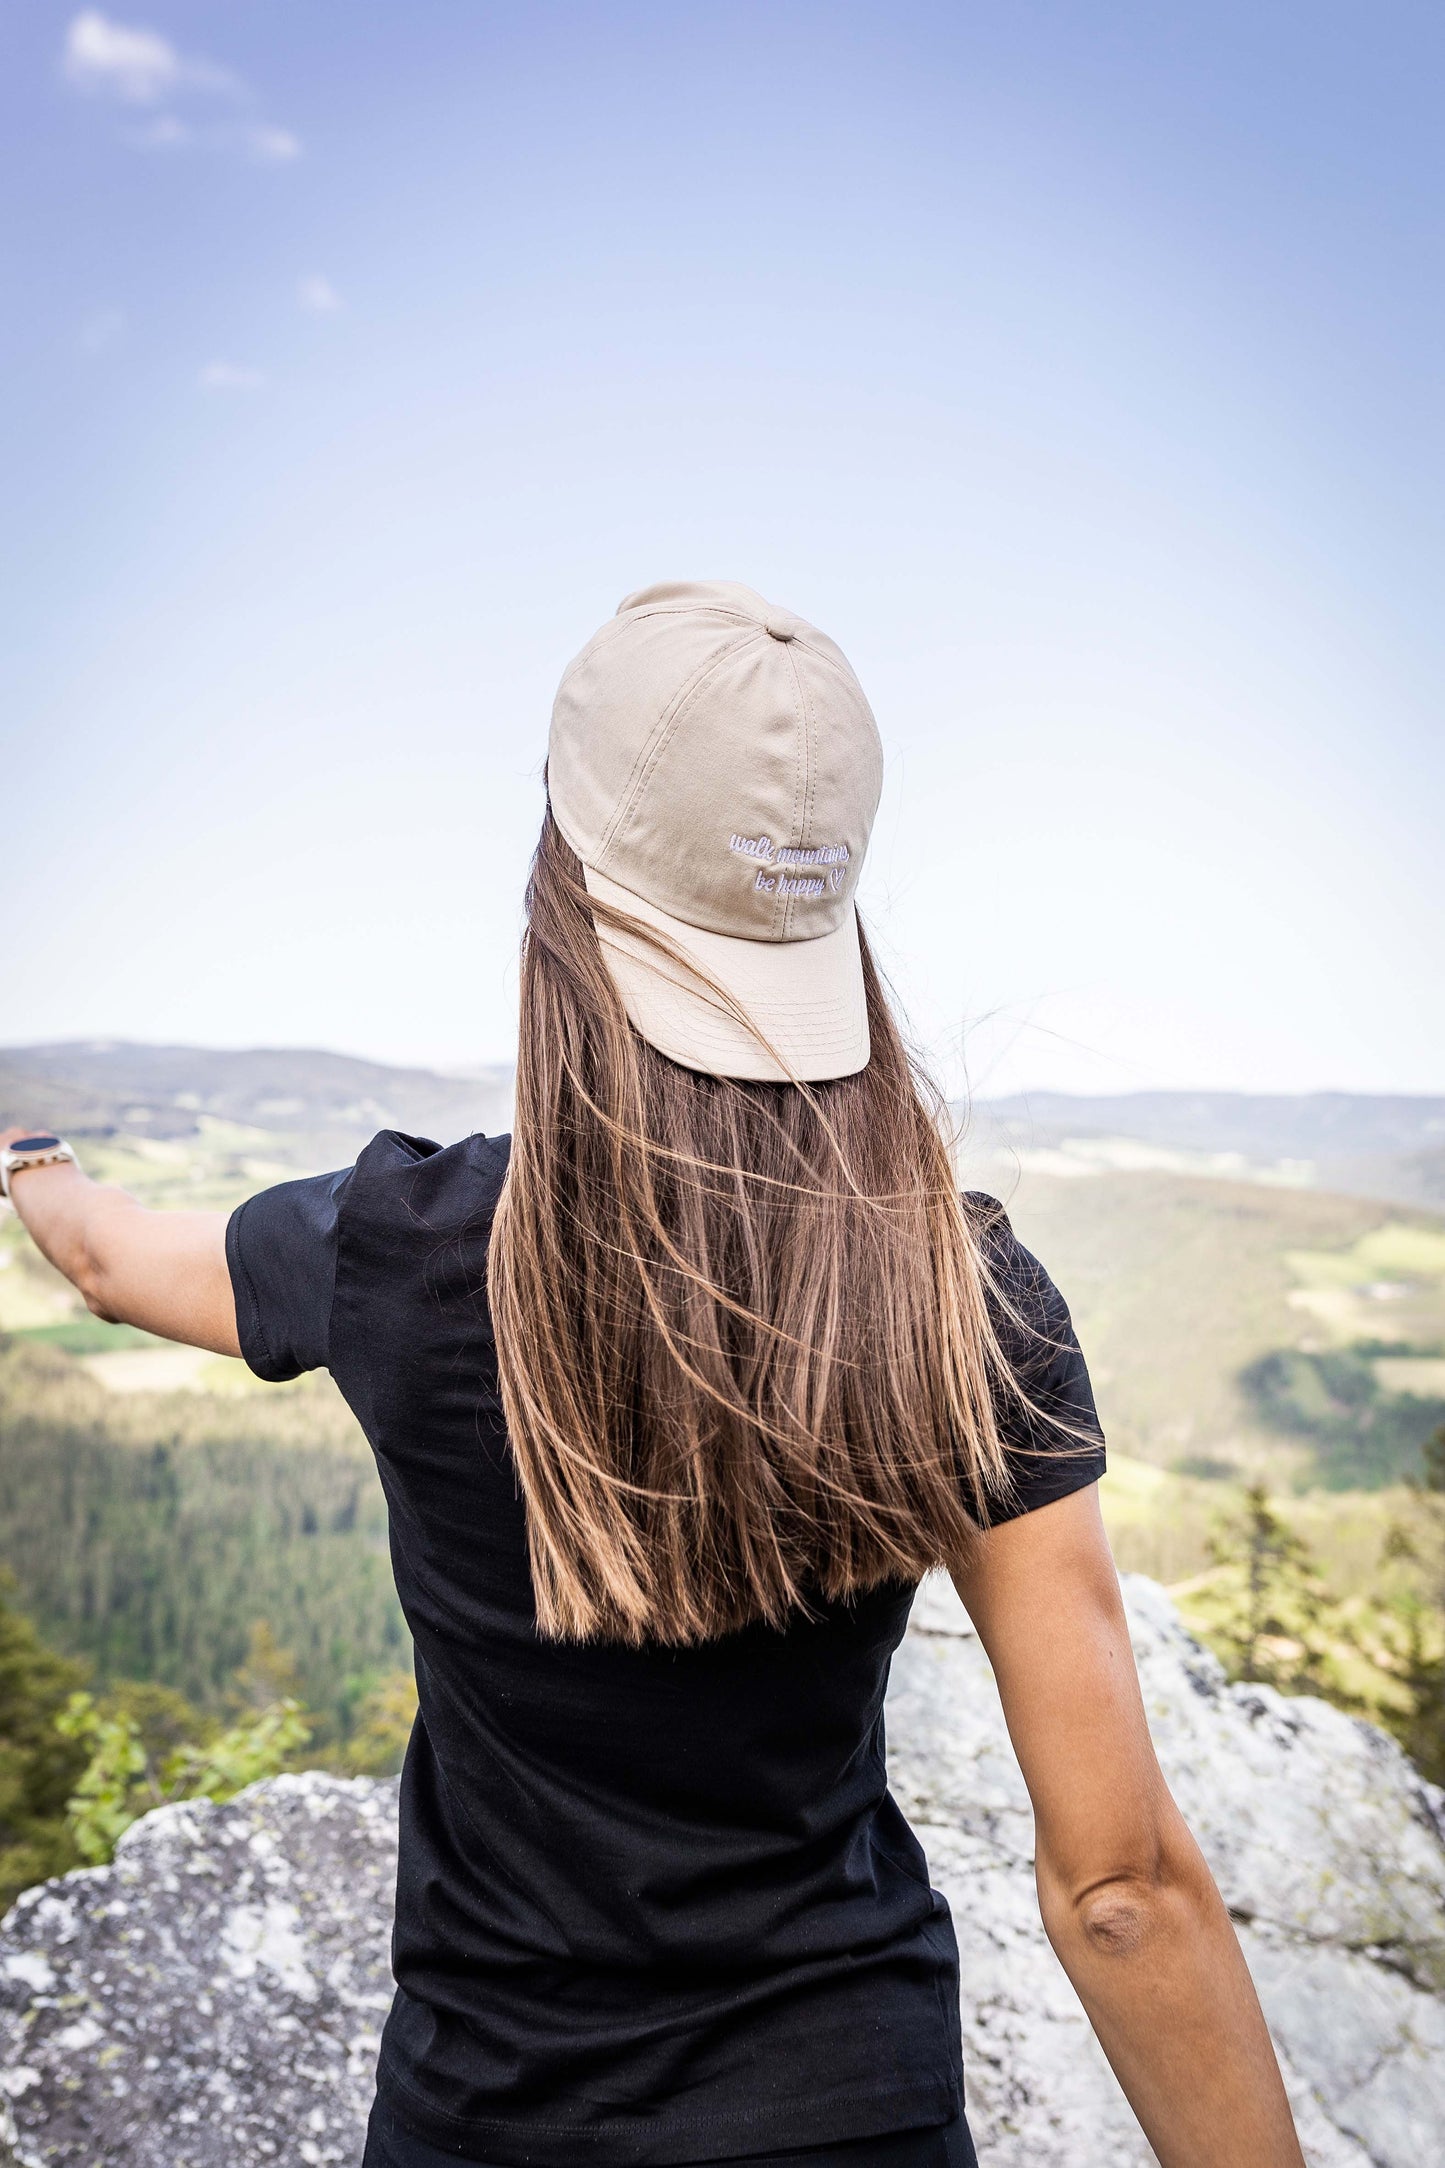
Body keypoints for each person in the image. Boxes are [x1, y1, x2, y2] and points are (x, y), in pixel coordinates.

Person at [1, 581, 1304, 2168]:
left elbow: (109, 1263)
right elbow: (1118, 1890)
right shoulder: (960, 1293)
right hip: (855, 2116)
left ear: (564, 872)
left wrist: (38, 1159)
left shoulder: (405, 1251)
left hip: (491, 2120)